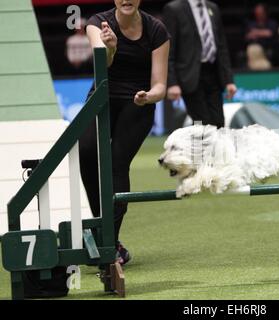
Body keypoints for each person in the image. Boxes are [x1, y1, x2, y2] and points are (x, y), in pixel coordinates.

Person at [79, 0, 170, 265]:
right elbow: (102, 65)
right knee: (85, 151)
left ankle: (110, 242)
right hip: (103, 95)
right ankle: (101, 230)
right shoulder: (98, 24)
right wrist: (110, 48)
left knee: (117, 164)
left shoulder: (157, 31)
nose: (126, 0)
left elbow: (160, 85)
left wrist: (148, 96)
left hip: (138, 101)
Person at [163, 0, 237, 129]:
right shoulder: (174, 9)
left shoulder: (213, 7)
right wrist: (172, 83)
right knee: (203, 124)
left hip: (213, 73)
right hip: (189, 76)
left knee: (219, 122)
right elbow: (168, 49)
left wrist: (228, 80)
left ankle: (214, 150)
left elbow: (221, 46)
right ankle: (199, 149)